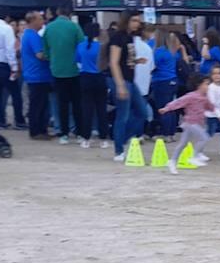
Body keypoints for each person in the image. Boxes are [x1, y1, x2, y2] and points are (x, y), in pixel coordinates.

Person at [107, 12, 146, 161]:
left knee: (142, 111)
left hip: (129, 79)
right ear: (126, 21)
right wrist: (120, 85)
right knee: (122, 115)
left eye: (138, 21)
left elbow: (125, 60)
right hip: (121, 80)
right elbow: (114, 62)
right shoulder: (118, 37)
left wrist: (136, 61)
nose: (137, 23)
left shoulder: (130, 38)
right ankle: (118, 149)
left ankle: (121, 138)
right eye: (134, 20)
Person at [44, 5, 84, 144]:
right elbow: (81, 47)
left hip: (57, 70)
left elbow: (46, 50)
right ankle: (80, 132)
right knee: (77, 103)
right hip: (74, 70)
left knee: (62, 104)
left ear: (57, 12)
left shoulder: (49, 28)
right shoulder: (75, 27)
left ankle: (64, 133)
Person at [159, 73, 214, 173]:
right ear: (199, 85)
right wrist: (166, 108)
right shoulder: (191, 96)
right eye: (206, 84)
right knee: (204, 137)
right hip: (190, 123)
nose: (208, 86)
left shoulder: (205, 98)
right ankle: (194, 156)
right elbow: (178, 102)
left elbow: (210, 107)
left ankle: (172, 161)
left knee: (183, 144)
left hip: (197, 123)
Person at [18, 12, 53, 140]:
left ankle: (41, 129)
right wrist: (52, 56)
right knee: (37, 105)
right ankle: (36, 131)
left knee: (41, 104)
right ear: (32, 21)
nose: (42, 21)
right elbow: (40, 54)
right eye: (40, 19)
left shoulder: (30, 35)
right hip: (37, 75)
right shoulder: (32, 36)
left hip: (37, 74)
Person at [75, 22, 109, 149]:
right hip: (99, 78)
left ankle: (86, 138)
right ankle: (103, 138)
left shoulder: (81, 46)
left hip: (85, 78)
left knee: (86, 110)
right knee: (101, 109)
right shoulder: (102, 47)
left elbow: (77, 60)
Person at [151, 30, 180, 140]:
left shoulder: (158, 52)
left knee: (163, 108)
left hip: (161, 81)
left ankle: (165, 133)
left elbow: (153, 66)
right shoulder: (172, 52)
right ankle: (171, 133)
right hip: (173, 80)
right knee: (171, 107)